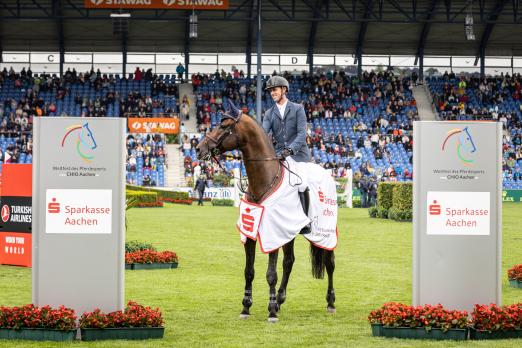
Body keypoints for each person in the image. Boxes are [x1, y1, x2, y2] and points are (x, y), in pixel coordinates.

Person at [262, 75, 311, 234]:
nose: (272, 93)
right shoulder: (269, 113)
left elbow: (302, 134)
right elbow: (264, 133)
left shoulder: (298, 108)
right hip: (279, 155)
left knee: (302, 183)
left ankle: (305, 221)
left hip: (298, 155)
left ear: (284, 90)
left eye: (274, 90)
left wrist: (290, 150)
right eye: (270, 91)